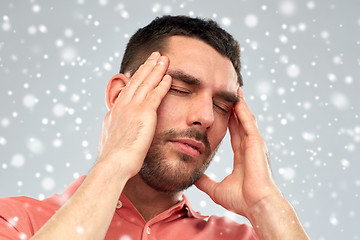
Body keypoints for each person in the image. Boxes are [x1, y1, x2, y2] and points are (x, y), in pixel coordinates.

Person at [0, 15, 309, 240]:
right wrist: (114, 163)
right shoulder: (15, 222)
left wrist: (265, 203)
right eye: (180, 89)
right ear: (120, 95)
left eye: (222, 105)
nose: (206, 117)